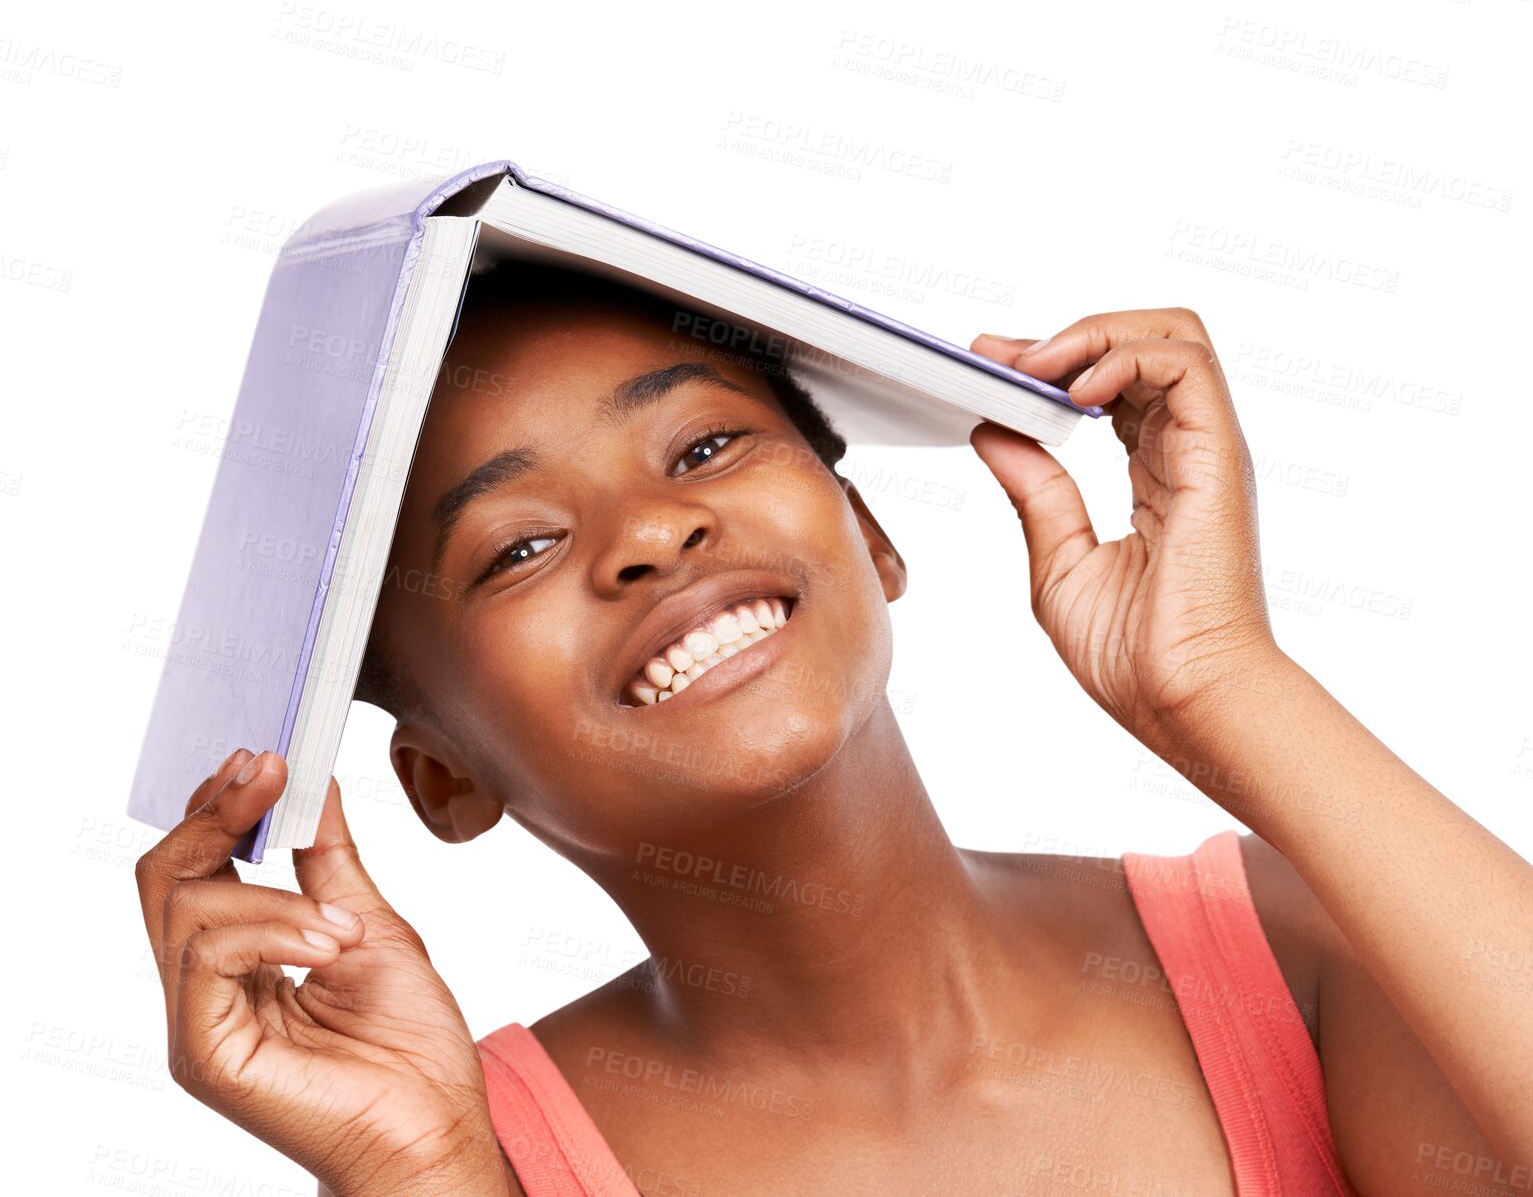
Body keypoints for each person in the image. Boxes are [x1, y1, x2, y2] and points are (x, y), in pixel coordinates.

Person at [134, 259, 1533, 1196]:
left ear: (869, 533)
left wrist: (1227, 680)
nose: (651, 533)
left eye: (702, 448)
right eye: (517, 548)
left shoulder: (1288, 951)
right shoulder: (462, 1152)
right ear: (441, 778)